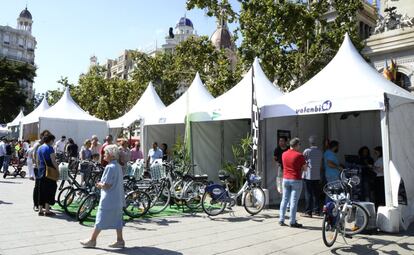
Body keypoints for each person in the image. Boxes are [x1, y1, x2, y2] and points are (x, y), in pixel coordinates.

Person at [80, 144, 125, 248]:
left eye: (106, 153)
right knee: (118, 220)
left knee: (100, 219)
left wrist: (99, 184)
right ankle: (120, 240)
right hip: (117, 198)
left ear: (111, 155)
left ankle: (92, 240)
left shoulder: (110, 167)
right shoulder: (118, 166)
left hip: (109, 199)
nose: (104, 154)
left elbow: (107, 185)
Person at [279, 137, 307, 228]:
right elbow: (305, 168)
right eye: (299, 144)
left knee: (284, 199)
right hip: (296, 179)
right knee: (294, 201)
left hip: (286, 178)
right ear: (296, 145)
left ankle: (281, 219)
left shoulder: (284, 154)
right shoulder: (299, 155)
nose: (300, 146)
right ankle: (292, 221)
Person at [37, 134, 59, 216]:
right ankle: (47, 210)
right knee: (49, 190)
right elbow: (53, 161)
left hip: (41, 170)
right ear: (50, 140)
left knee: (41, 190)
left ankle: (40, 210)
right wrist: (58, 170)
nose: (53, 142)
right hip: (49, 171)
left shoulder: (40, 147)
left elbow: (38, 160)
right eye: (53, 140)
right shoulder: (50, 148)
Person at [301, 136, 323, 217]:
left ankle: (308, 212)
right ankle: (317, 211)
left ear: (309, 143)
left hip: (308, 176)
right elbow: (320, 165)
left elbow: (303, 162)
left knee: (308, 194)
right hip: (316, 176)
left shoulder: (307, 151)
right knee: (316, 194)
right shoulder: (320, 152)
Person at [32, 130, 51, 212]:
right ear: (42, 136)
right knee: (37, 187)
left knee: (44, 187)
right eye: (45, 135)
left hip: (43, 169)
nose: (46, 137)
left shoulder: (46, 145)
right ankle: (36, 204)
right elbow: (34, 156)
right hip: (38, 168)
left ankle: (43, 204)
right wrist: (38, 166)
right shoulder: (38, 144)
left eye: (48, 135)